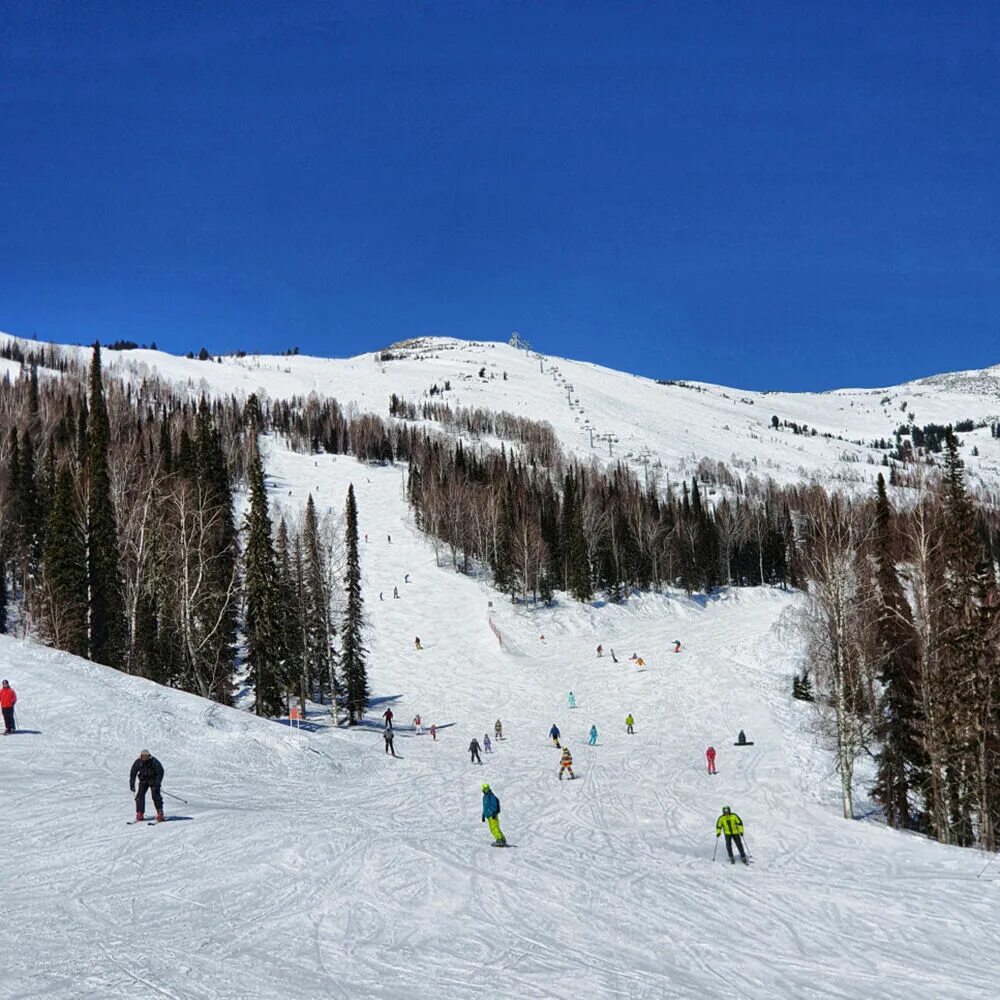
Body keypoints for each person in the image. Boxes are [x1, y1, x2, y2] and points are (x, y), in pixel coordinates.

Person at [129, 750, 165, 822]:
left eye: (146, 756)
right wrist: (132, 784)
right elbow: (133, 773)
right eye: (143, 756)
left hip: (153, 781)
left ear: (149, 756)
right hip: (143, 781)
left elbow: (160, 771)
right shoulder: (138, 762)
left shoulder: (154, 761)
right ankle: (140, 812)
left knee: (155, 795)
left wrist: (157, 782)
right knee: (139, 796)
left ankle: (160, 812)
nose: (144, 758)